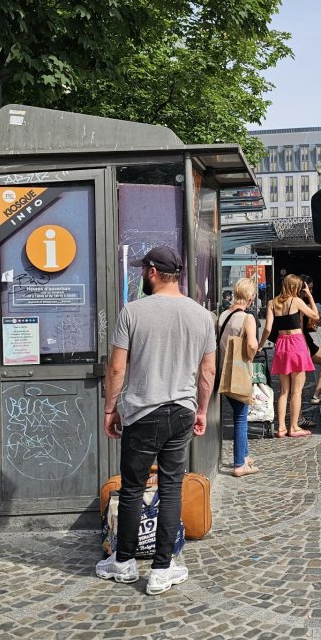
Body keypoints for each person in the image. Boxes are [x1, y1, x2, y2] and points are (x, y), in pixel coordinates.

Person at [97, 246, 216, 595]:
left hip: (141, 411)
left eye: (142, 270)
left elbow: (117, 367)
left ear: (151, 271)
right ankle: (163, 568)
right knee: (170, 487)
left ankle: (124, 562)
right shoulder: (201, 316)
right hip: (181, 410)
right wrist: (202, 410)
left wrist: (110, 409)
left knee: (132, 488)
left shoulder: (132, 312)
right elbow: (207, 370)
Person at [259, 273, 318, 438]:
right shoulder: (296, 301)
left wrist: (260, 344)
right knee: (297, 391)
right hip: (297, 344)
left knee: (284, 391)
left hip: (281, 344)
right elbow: (315, 316)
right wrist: (310, 296)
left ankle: (281, 428)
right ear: (295, 287)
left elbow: (268, 329)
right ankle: (294, 427)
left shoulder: (272, 303)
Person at [218, 276, 259, 477]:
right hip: (239, 372)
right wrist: (253, 354)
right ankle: (239, 464)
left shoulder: (223, 315)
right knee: (241, 417)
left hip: (222, 371)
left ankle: (244, 456)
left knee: (239, 413)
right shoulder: (247, 318)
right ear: (250, 296)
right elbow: (251, 345)